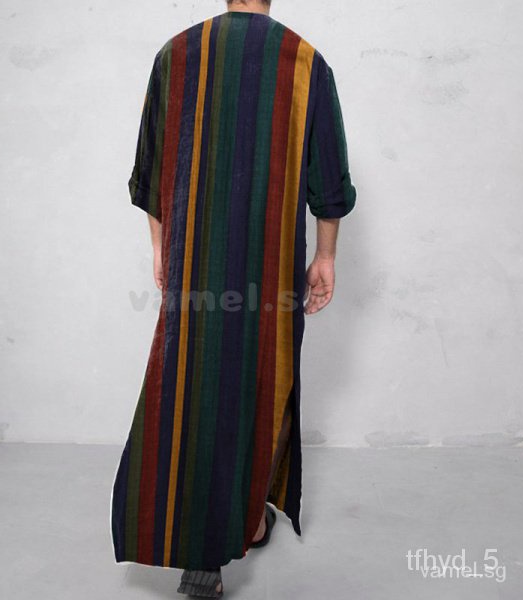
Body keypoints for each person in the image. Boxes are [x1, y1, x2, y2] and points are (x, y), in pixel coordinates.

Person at [110, 0, 357, 596]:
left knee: (194, 390)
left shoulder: (175, 55)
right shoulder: (304, 62)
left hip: (195, 263)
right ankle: (228, 534)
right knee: (262, 382)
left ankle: (219, 540)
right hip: (269, 265)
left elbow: (150, 173)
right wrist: (326, 257)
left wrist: (162, 250)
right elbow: (328, 181)